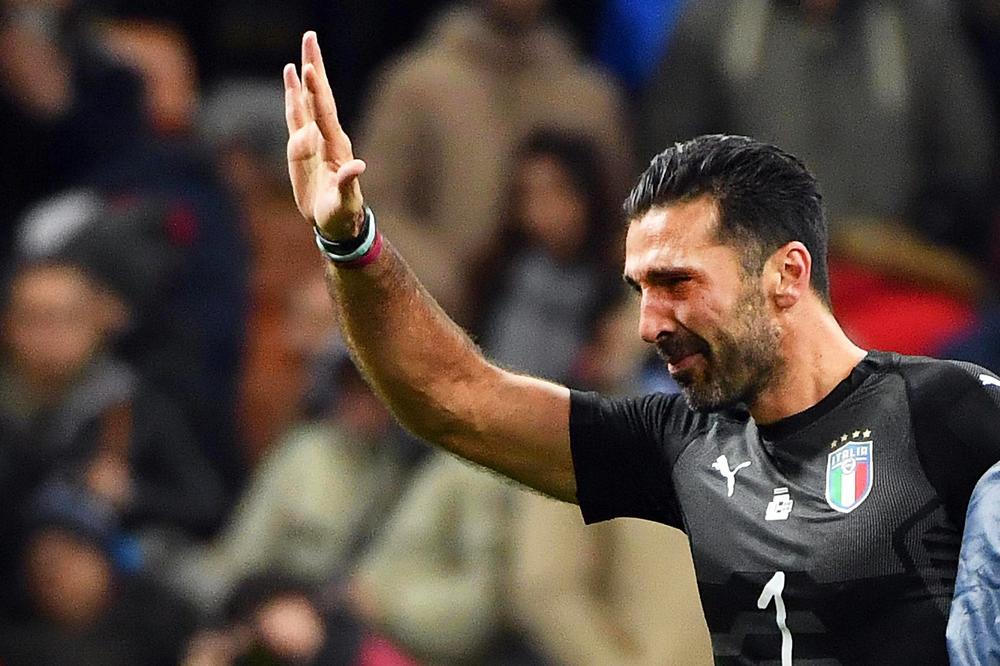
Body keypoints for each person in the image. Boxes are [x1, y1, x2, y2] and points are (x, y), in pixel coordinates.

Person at [282, 32, 1000, 664]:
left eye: (676, 282)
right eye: (639, 289)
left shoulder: (947, 410)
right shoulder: (684, 447)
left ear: (786, 275)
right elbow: (453, 397)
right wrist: (350, 242)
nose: (648, 324)